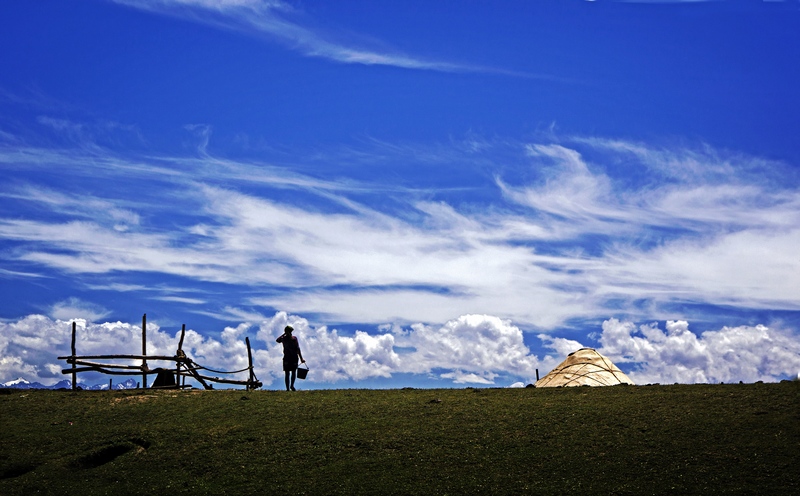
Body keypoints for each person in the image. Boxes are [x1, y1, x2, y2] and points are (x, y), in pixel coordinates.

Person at [276, 325, 305, 391]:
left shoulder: (288, 338)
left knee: (290, 372)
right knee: (290, 372)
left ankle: (289, 387)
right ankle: (290, 387)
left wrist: (283, 334)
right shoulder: (289, 338)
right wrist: (301, 358)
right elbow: (277, 340)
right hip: (291, 357)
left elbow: (277, 340)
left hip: (290, 357)